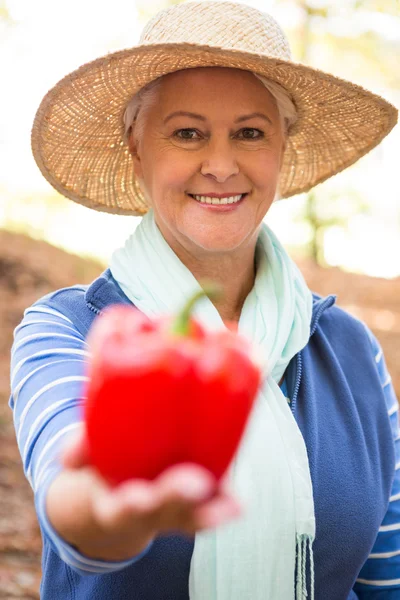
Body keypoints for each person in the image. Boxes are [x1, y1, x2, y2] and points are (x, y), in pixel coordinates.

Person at [9, 1, 399, 599]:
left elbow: (386, 575)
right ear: (137, 148)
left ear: (281, 150)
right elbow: (68, 480)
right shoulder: (67, 330)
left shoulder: (351, 351)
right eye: (187, 132)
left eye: (250, 132)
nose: (221, 165)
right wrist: (102, 514)